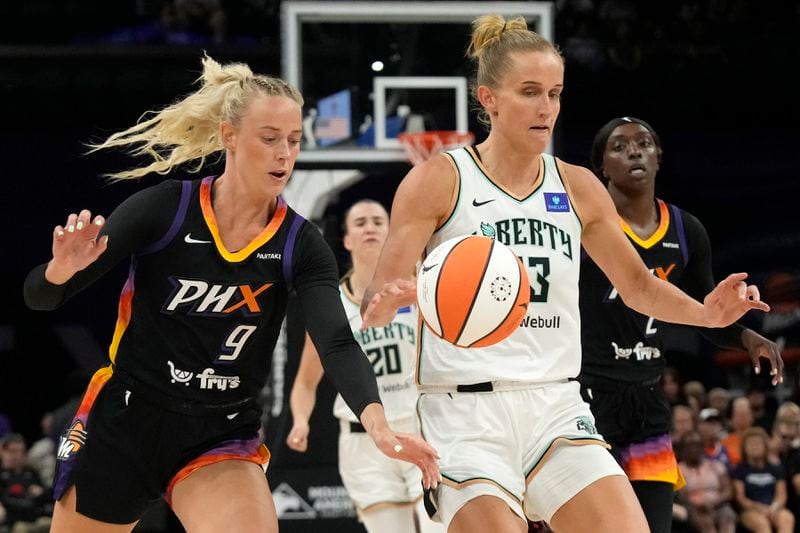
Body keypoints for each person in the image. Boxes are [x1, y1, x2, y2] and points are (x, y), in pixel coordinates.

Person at [360, 13, 771, 533]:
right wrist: (401, 297)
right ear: (488, 98)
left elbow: (640, 286)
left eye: (554, 93)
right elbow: (382, 297)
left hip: (555, 404)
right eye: (530, 92)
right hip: (463, 413)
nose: (547, 108)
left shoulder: (577, 186)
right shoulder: (438, 181)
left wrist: (708, 314)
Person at [22, 55, 438, 533]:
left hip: (219, 431)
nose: (285, 154)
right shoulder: (166, 210)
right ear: (229, 137)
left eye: (294, 141)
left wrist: (377, 422)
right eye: (269, 139)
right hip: (128, 418)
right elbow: (41, 298)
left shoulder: (300, 244)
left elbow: (337, 343)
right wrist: (59, 272)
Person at [577, 115, 785, 532]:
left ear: (658, 157)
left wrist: (745, 335)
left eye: (644, 143)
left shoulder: (687, 231)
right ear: (601, 167)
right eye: (619, 146)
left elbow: (704, 315)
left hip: (646, 403)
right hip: (583, 401)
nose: (634, 150)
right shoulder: (583, 227)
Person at [286, 199, 443, 533]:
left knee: (439, 528)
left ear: (390, 233)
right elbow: (304, 383)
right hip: (364, 443)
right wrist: (300, 421)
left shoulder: (417, 285)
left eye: (377, 221)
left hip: (422, 426)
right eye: (360, 223)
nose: (370, 227)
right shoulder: (332, 305)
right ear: (346, 240)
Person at [733, 427, 794, 533]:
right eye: (751, 444)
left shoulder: (775, 468)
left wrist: (773, 508)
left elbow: (782, 495)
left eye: (758, 443)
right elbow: (741, 498)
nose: (755, 447)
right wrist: (760, 508)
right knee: (762, 524)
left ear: (765, 446)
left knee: (787, 518)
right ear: (744, 448)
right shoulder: (739, 470)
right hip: (751, 510)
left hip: (773, 508)